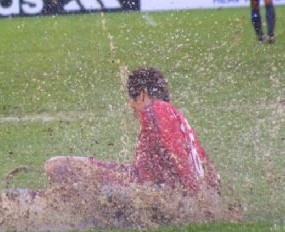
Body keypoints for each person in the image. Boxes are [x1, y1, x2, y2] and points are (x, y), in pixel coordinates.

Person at [44, 67, 220, 195]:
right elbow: (206, 166)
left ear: (142, 95)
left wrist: (196, 198)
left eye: (131, 99)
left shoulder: (155, 110)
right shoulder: (177, 117)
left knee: (57, 166)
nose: (131, 106)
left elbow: (175, 153)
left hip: (154, 190)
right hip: (159, 186)